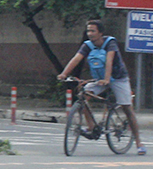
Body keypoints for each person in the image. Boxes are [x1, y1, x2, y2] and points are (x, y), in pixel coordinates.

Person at [58, 20, 146, 155]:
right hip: (100, 80)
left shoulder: (110, 43)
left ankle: (139, 142)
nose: (90, 34)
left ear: (100, 33)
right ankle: (91, 127)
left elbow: (110, 60)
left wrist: (107, 78)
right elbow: (76, 59)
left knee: (127, 108)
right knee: (83, 95)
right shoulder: (87, 45)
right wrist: (64, 74)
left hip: (118, 78)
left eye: (93, 31)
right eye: (88, 31)